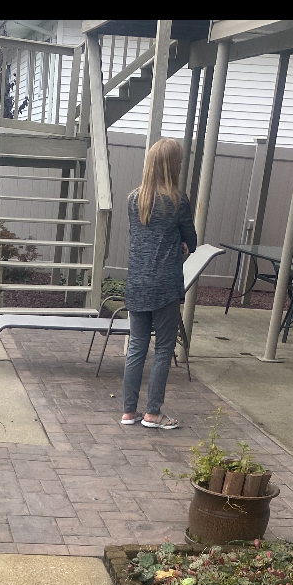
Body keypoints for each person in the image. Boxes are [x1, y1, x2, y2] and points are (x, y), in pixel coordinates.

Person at [121, 137, 197, 430]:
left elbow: (140, 237)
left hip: (137, 282)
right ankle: (152, 413)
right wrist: (180, 246)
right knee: (164, 348)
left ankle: (129, 412)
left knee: (137, 347)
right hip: (165, 284)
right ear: (173, 166)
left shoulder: (133, 199)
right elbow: (191, 240)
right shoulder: (178, 201)